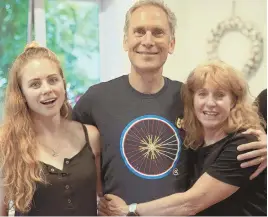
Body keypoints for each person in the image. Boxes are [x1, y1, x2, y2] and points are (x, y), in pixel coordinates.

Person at [72, 0, 267, 214]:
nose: (148, 41)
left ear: (171, 43)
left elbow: (233, 128)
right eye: (139, 32)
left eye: (157, 32)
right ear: (125, 41)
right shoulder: (96, 99)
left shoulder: (190, 99)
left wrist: (264, 141)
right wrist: (95, 197)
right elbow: (63, 145)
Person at [100, 60, 267, 216]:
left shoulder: (244, 145)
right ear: (192, 101)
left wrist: (128, 211)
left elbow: (190, 204)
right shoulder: (195, 144)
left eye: (219, 95)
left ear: (233, 102)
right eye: (202, 94)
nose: (210, 103)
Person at [0, 42, 101, 216]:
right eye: (35, 84)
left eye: (53, 80)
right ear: (21, 94)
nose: (47, 89)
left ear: (63, 83)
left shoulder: (91, 136)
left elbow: (103, 199)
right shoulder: (6, 143)